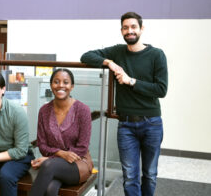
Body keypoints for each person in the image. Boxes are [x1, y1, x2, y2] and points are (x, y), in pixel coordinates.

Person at [80, 12, 168, 196]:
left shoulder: (157, 55)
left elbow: (161, 90)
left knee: (150, 175)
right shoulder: (117, 52)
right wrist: (109, 63)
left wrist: (131, 81)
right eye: (126, 28)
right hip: (126, 125)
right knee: (129, 175)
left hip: (152, 123)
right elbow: (86, 56)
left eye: (133, 27)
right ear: (121, 31)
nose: (130, 31)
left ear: (141, 29)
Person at [30, 68, 93, 196]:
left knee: (48, 166)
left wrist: (51, 159)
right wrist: (60, 154)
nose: (61, 86)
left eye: (66, 82)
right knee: (50, 189)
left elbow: (82, 148)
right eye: (56, 82)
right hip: (54, 165)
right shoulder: (44, 111)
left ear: (72, 86)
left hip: (79, 163)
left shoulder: (83, 110)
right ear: (51, 85)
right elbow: (42, 145)